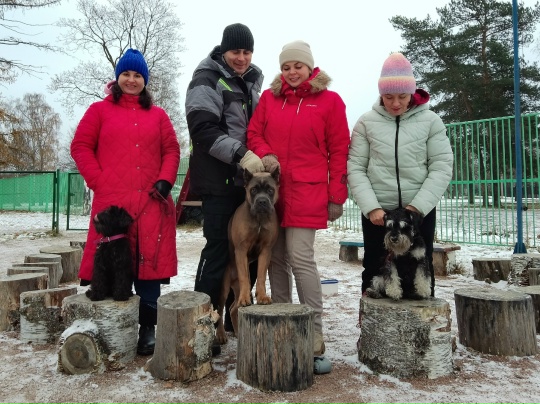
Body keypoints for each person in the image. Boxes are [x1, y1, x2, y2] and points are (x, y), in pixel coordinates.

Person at [247, 40, 350, 373]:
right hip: (273, 194)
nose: (292, 72)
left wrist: (336, 195)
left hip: (308, 191)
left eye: (298, 66)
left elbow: (340, 149)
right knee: (275, 257)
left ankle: (313, 333)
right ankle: (283, 323)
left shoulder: (329, 101)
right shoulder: (269, 99)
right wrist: (266, 154)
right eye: (286, 67)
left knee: (300, 257)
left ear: (310, 67)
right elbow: (254, 133)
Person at [71, 48, 180, 356]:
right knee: (111, 263)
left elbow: (172, 149)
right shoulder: (98, 111)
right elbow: (80, 146)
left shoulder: (158, 115)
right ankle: (111, 329)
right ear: (117, 78)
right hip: (113, 204)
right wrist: (99, 181)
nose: (132, 80)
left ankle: (147, 328)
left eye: (137, 75)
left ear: (145, 80)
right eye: (126, 74)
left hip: (150, 202)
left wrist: (165, 179)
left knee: (149, 266)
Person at [185, 23, 264, 355]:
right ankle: (200, 323)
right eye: (235, 51)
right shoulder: (207, 79)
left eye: (247, 52)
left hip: (245, 184)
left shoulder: (252, 83)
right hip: (218, 180)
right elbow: (202, 128)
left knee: (248, 251)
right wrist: (242, 154)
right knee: (217, 250)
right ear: (223, 50)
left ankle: (232, 318)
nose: (241, 58)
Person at [347, 52, 453, 298]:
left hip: (418, 211)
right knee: (374, 266)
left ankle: (423, 318)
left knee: (421, 265)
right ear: (381, 95)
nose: (395, 103)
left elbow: (441, 166)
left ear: (412, 93)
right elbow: (356, 167)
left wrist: (418, 208)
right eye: (388, 97)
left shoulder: (431, 121)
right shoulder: (366, 123)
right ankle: (371, 320)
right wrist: (371, 207)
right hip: (378, 214)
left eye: (402, 96)